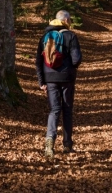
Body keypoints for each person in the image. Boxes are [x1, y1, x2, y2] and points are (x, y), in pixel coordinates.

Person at [35, 10, 82, 158]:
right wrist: (71, 69)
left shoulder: (45, 37)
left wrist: (42, 82)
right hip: (67, 78)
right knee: (67, 110)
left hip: (50, 79)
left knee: (54, 110)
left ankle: (50, 140)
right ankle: (67, 144)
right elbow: (77, 59)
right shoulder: (71, 36)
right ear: (66, 20)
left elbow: (38, 61)